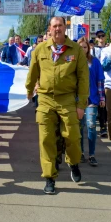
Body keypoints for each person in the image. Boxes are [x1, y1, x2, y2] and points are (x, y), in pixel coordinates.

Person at [26, 16, 89, 195]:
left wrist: (81, 104)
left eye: (60, 25)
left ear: (65, 28)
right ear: (50, 29)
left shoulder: (76, 50)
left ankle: (73, 162)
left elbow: (83, 79)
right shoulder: (40, 49)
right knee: (46, 140)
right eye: (54, 26)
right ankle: (49, 178)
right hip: (45, 99)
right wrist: (29, 90)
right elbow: (33, 72)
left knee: (73, 137)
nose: (58, 29)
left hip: (68, 99)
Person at [77, 37, 105, 166]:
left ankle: (92, 154)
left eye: (85, 47)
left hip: (92, 99)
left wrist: (102, 98)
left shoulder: (95, 62)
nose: (83, 49)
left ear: (88, 48)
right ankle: (81, 152)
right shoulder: (73, 62)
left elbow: (100, 81)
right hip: (78, 100)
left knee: (91, 126)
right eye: (80, 47)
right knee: (79, 127)